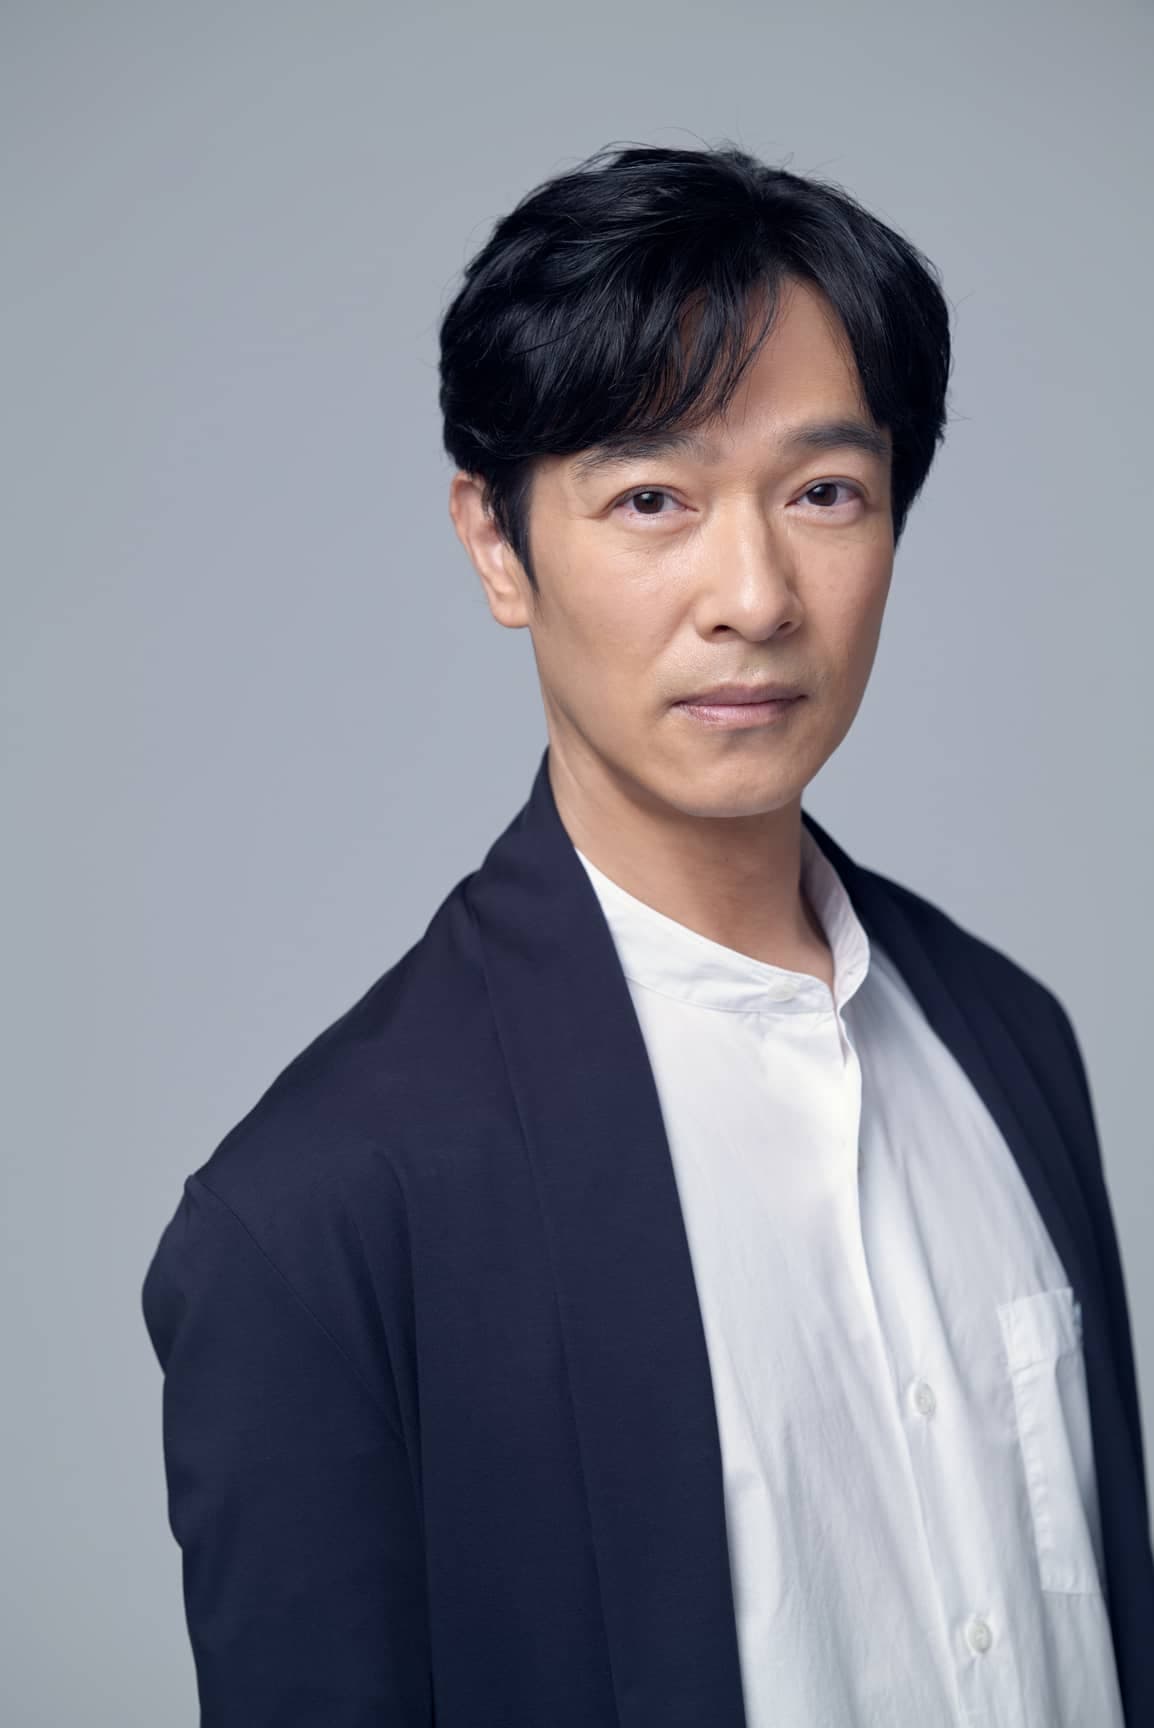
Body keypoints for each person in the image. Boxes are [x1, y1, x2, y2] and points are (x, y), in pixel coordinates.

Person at [141, 140, 1154, 1727]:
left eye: (823, 494)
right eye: (651, 499)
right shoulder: (314, 1220)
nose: (753, 594)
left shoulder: (1010, 1037)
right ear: (497, 545)